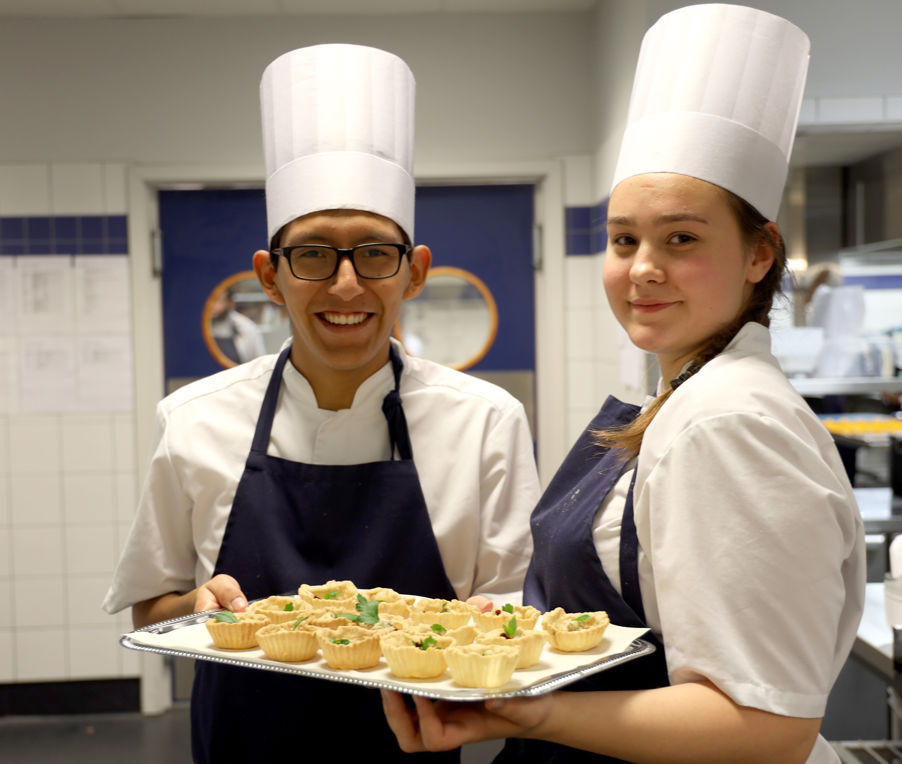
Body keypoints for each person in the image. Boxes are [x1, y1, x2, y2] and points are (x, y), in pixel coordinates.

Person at [382, 5, 866, 763]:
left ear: (759, 253)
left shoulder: (728, 422)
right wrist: (526, 629)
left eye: (681, 238)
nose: (642, 268)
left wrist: (530, 714)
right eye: (623, 240)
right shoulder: (681, 398)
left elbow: (767, 728)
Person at [103, 44, 540, 762]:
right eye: (312, 255)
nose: (345, 286)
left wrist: (492, 625)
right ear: (270, 278)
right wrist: (197, 606)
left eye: (374, 253)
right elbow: (152, 607)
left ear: (415, 271)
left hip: (411, 749)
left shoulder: (486, 421)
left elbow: (516, 614)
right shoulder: (196, 418)